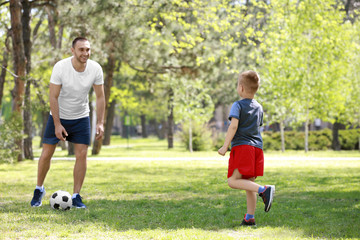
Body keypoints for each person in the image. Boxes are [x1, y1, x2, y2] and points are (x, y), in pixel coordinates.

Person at [30, 37, 105, 208]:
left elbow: (100, 97)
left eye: (87, 49)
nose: (85, 53)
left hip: (81, 117)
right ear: (72, 50)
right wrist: (57, 124)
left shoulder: (95, 69)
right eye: (81, 50)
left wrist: (100, 122)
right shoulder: (61, 67)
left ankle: (76, 195)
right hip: (58, 115)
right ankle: (39, 188)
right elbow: (53, 97)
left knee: (82, 154)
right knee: (46, 154)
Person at [218, 70, 275, 226]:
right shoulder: (259, 107)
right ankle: (249, 217)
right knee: (249, 183)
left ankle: (264, 190)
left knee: (232, 181)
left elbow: (233, 126)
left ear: (241, 88)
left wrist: (225, 146)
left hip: (243, 148)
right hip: (257, 149)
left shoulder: (237, 105)